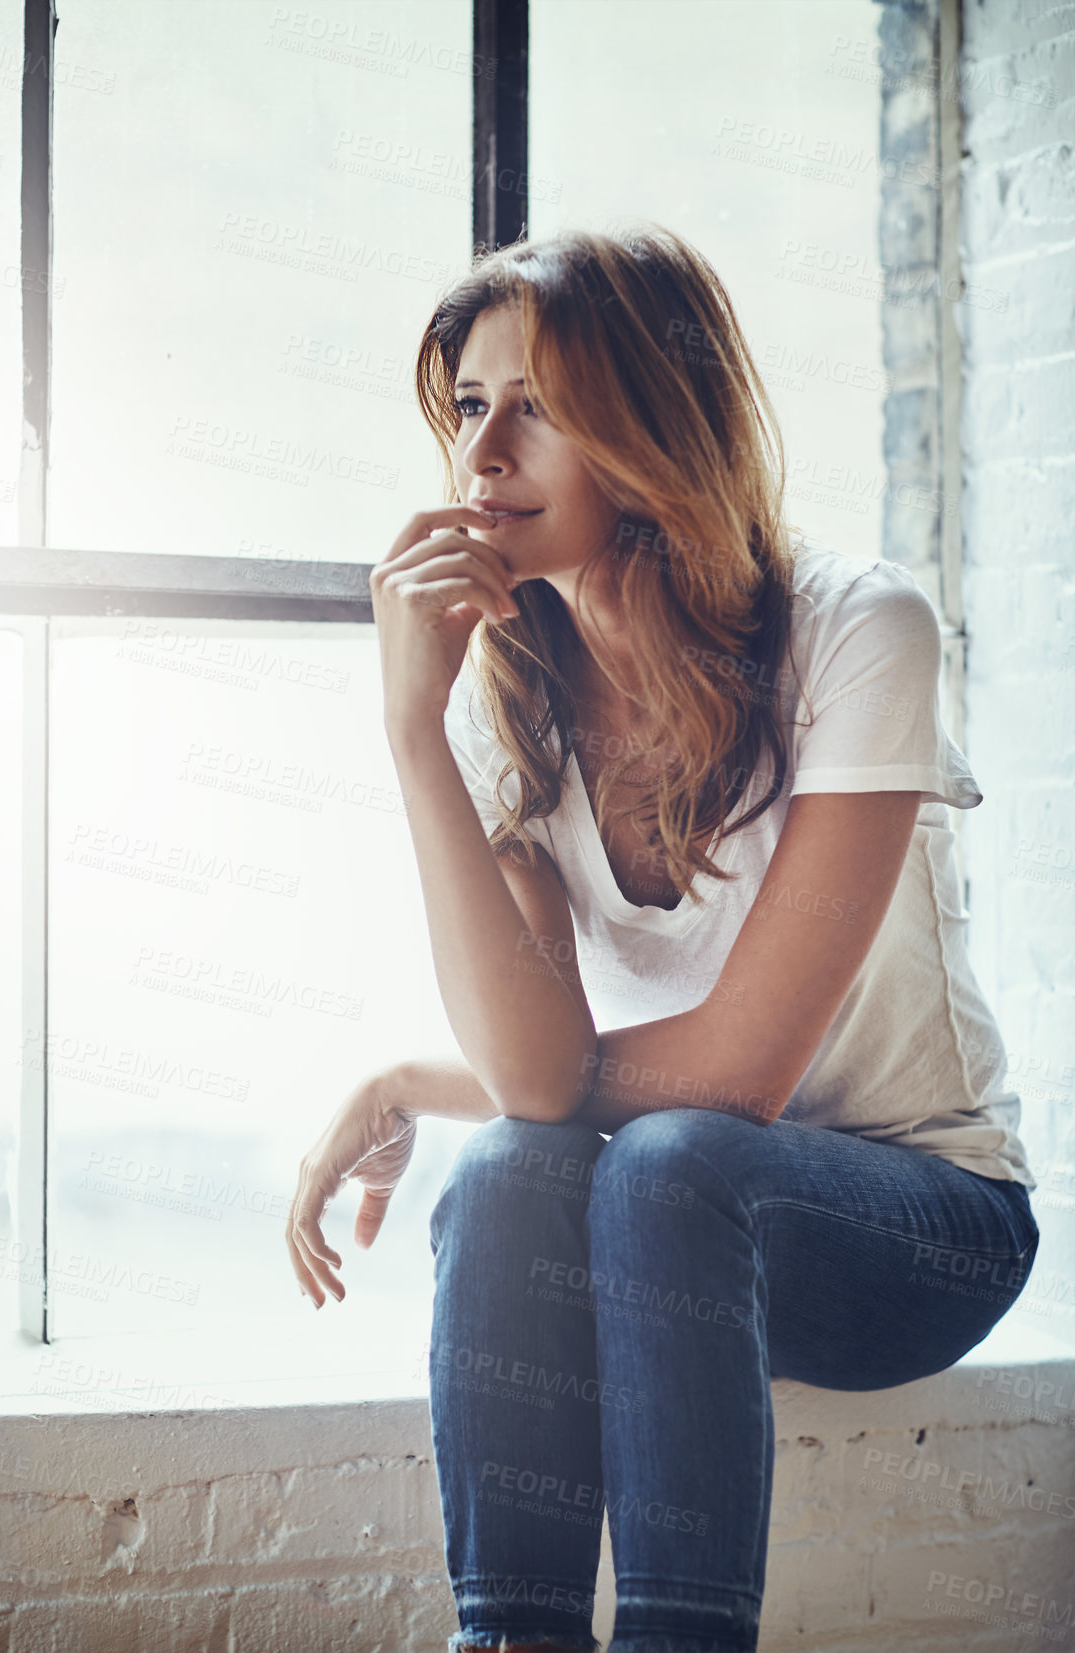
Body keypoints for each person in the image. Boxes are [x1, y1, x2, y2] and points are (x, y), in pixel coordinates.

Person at [285, 224, 1039, 1653]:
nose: (481, 452)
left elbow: (739, 1076)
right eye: (467, 408)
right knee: (512, 1169)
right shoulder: (513, 697)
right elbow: (533, 1079)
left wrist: (410, 1079)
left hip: (923, 1223)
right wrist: (410, 733)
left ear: (647, 424)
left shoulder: (855, 632)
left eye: (536, 404)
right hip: (674, 1231)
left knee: (669, 1164)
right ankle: (508, 1635)